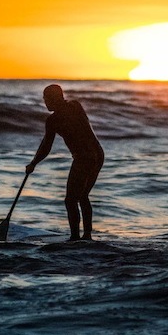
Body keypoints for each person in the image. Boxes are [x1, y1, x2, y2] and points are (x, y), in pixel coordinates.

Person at [25, 84, 104, 241]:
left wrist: (33, 163)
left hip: (84, 158)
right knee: (82, 196)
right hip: (98, 154)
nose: (44, 101)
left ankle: (75, 237)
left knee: (70, 200)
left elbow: (46, 146)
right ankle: (87, 235)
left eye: (46, 98)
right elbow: (45, 143)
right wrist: (34, 161)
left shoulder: (53, 120)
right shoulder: (76, 105)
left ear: (54, 99)